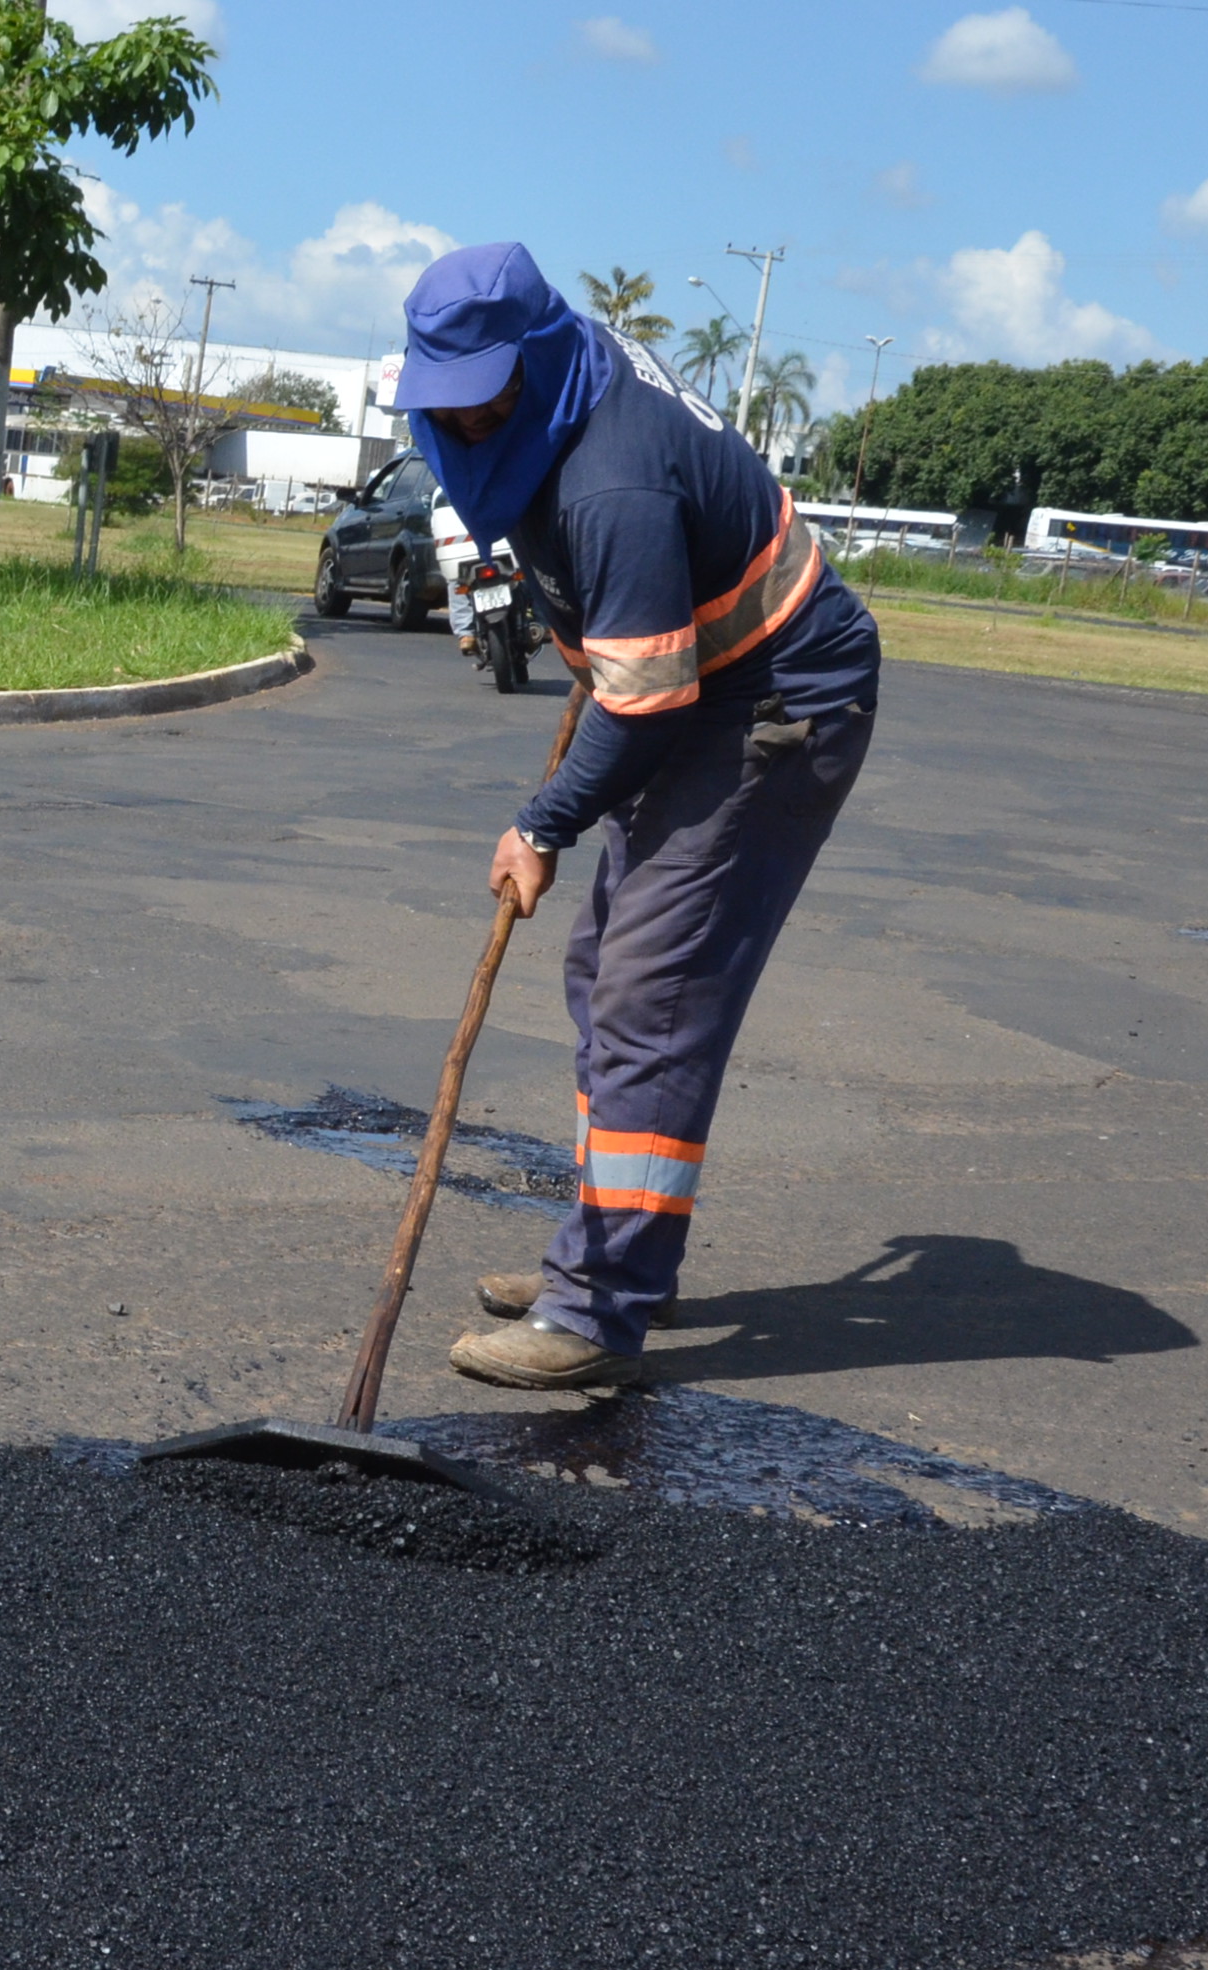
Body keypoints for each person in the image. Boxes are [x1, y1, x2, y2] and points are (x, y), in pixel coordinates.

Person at [394, 243, 882, 1393]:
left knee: (650, 995)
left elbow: (645, 703)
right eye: (445, 403)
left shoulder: (609, 477)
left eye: (486, 400)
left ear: (537, 356)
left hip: (774, 706)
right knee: (603, 971)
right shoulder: (568, 386)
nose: (466, 424)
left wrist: (543, 824)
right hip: (700, 690)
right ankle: (617, 1251)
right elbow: (636, 655)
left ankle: (596, 1303)